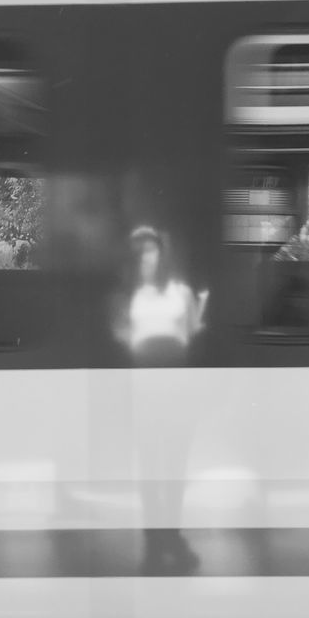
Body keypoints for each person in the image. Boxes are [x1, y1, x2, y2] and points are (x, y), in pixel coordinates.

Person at [111, 226, 208, 574]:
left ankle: (172, 535)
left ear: (161, 255)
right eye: (138, 252)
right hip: (143, 389)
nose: (145, 258)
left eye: (150, 251)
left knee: (175, 468)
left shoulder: (181, 292)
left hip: (178, 388)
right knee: (151, 469)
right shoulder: (125, 297)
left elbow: (192, 333)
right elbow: (122, 337)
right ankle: (157, 542)